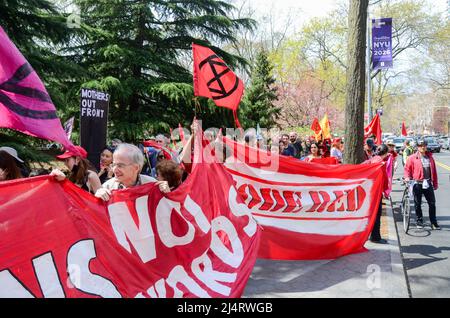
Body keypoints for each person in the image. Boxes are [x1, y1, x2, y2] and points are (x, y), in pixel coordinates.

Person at [95, 143, 169, 201]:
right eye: (114, 165)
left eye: (120, 165)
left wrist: (166, 194)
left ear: (136, 168)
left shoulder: (152, 185)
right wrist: (97, 199)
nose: (115, 170)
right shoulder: (107, 187)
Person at [404, 139, 440, 230]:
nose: (423, 147)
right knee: (417, 203)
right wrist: (407, 178)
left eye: (424, 145)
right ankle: (419, 221)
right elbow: (407, 169)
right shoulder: (412, 158)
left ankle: (433, 222)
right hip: (417, 184)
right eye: (420, 146)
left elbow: (434, 171)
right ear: (417, 147)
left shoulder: (430, 157)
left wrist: (435, 183)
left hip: (428, 183)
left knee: (432, 203)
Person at [364, 144, 390, 243]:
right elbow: (384, 178)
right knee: (376, 214)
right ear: (386, 152)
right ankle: (375, 237)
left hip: (370, 190)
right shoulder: (380, 162)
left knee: (373, 214)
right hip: (376, 191)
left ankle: (373, 235)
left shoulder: (373, 159)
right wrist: (386, 190)